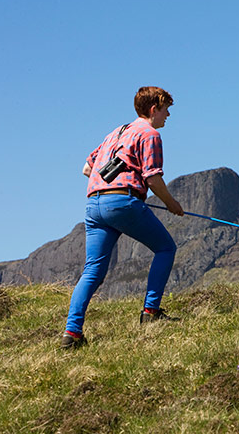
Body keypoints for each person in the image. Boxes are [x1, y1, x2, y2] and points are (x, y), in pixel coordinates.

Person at [61, 86, 184, 349]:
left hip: (93, 205)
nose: (168, 116)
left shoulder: (117, 132)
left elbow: (87, 168)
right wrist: (171, 203)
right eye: (166, 110)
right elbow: (152, 177)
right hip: (121, 202)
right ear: (154, 109)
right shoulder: (149, 134)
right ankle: (150, 313)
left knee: (93, 270)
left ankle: (72, 333)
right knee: (165, 248)